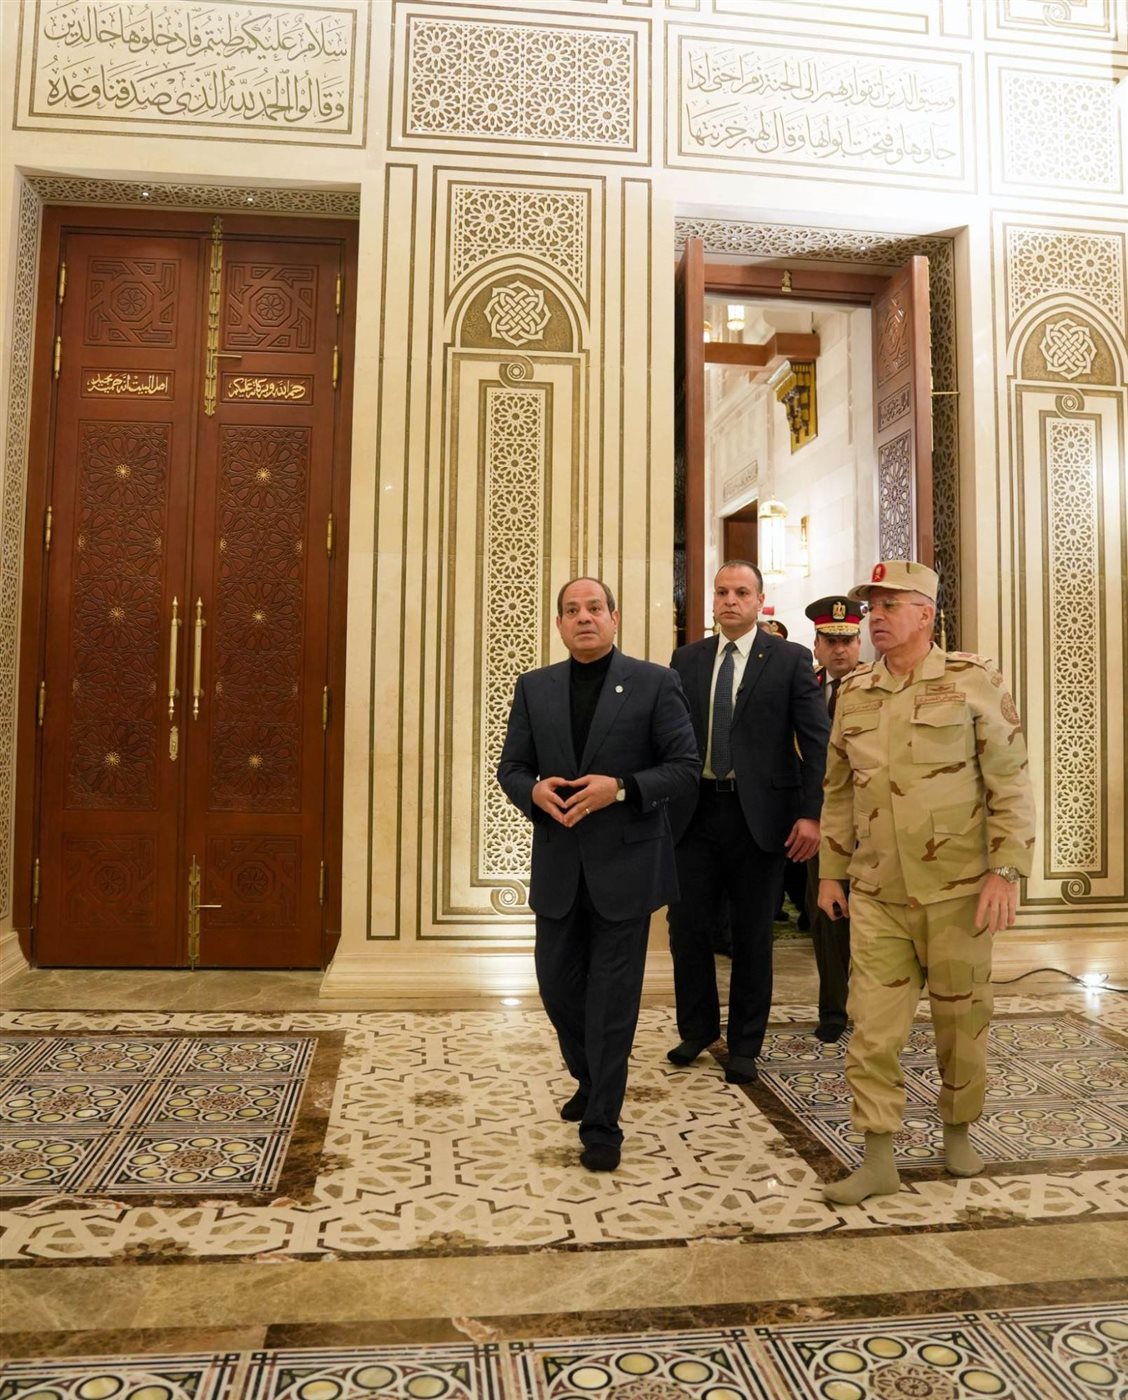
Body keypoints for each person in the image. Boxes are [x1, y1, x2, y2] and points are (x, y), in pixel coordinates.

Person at [817, 560, 1036, 1204]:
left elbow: (1009, 781)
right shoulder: (855, 691)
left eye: (891, 605)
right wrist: (831, 872)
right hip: (878, 891)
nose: (876, 617)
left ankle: (958, 1131)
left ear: (925, 614)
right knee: (871, 1028)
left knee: (961, 1022)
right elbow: (838, 792)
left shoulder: (973, 680)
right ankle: (878, 1156)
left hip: (959, 890)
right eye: (873, 607)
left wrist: (1005, 871)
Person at [497, 577, 700, 1172]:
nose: (583, 617)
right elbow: (512, 766)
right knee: (556, 985)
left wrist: (622, 788)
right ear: (560, 624)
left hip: (627, 867)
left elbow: (684, 766)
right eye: (571, 610)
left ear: (614, 617)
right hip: (559, 866)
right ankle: (590, 1078)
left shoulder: (655, 682)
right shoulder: (534, 686)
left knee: (612, 1000)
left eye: (594, 608)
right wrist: (532, 792)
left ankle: (603, 1122)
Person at [666, 560, 831, 1084]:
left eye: (741, 592)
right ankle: (697, 1029)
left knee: (752, 934)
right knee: (687, 929)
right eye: (721, 592)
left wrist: (811, 814)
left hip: (760, 816)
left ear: (759, 601)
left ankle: (744, 1044)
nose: (729, 601)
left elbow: (818, 743)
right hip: (694, 813)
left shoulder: (789, 659)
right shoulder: (687, 659)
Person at [802, 594, 864, 1042]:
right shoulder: (806, 689)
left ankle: (873, 1004)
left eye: (848, 640)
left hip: (873, 822)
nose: (840, 649)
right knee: (826, 916)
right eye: (831, 640)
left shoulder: (879, 687)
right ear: (817, 645)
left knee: (874, 918)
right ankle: (833, 1009)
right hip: (821, 822)